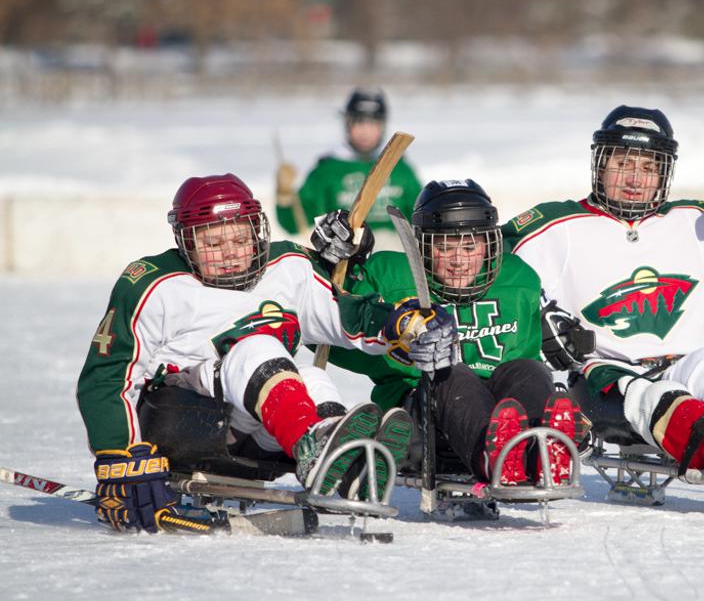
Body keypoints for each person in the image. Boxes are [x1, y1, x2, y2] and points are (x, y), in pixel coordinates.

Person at [76, 173, 456, 533]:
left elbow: (346, 315)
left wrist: (399, 323)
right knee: (259, 347)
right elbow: (108, 376)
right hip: (182, 422)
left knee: (312, 377)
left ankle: (344, 465)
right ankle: (316, 447)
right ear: (186, 243)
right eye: (213, 244)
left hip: (259, 434)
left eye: (240, 239)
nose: (229, 254)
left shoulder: (288, 266)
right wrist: (121, 457)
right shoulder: (153, 284)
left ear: (258, 231)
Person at [501, 105, 704, 480]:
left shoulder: (699, 222)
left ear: (665, 172)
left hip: (686, 361)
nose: (635, 178)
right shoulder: (554, 227)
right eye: (622, 164)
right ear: (600, 164)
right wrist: (537, 318)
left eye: (649, 167)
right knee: (651, 397)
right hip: (604, 374)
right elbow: (487, 273)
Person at [317, 179, 586, 486]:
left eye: (470, 247)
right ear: (422, 245)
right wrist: (337, 262)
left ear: (489, 244)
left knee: (528, 369)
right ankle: (492, 459)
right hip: (423, 424)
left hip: (501, 416)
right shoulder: (391, 275)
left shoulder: (518, 278)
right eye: (444, 247)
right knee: (450, 373)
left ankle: (539, 453)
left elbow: (523, 358)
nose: (459, 260)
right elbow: (332, 321)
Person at [275, 87, 421, 250]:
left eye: (373, 124)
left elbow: (422, 218)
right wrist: (284, 196)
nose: (365, 131)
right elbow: (294, 224)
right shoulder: (327, 171)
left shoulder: (400, 169)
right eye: (358, 122)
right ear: (347, 124)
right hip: (344, 258)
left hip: (394, 257)